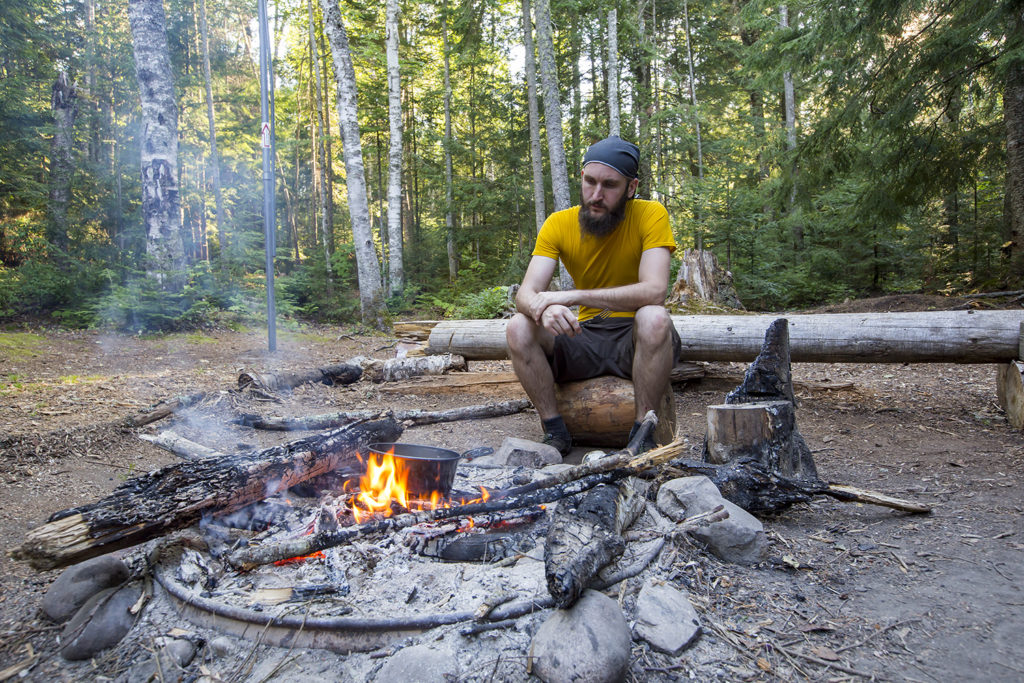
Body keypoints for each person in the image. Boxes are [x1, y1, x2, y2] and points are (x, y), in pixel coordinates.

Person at [506, 135, 682, 455]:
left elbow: (655, 290)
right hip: (583, 338)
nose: (596, 195)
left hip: (634, 338)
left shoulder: (651, 214)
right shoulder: (558, 224)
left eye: (610, 185)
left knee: (654, 317)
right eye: (590, 182)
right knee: (518, 326)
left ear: (631, 188)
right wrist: (542, 310)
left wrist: (572, 297)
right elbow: (526, 294)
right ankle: (555, 431)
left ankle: (643, 434)